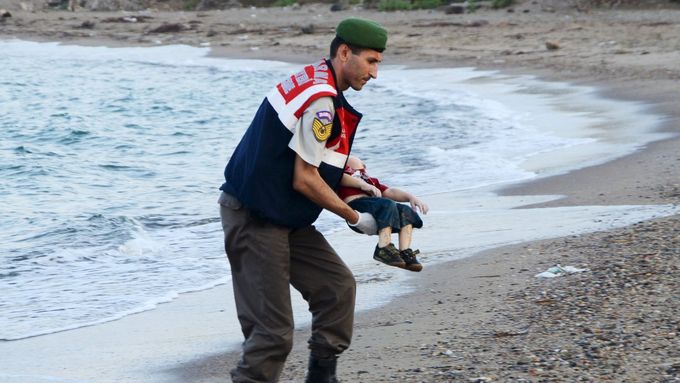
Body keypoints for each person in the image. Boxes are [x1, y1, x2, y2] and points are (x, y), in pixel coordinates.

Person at [218, 18, 387, 383]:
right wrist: (355, 218)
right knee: (273, 334)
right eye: (371, 61)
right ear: (345, 53)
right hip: (254, 217)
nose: (374, 74)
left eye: (378, 63)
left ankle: (321, 378)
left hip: (284, 215)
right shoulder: (322, 103)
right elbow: (305, 178)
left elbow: (307, 161)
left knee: (337, 289)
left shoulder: (317, 78)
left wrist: (356, 179)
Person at [337, 155, 428, 272]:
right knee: (387, 204)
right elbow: (339, 177)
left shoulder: (371, 181)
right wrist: (361, 184)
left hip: (377, 209)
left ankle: (405, 252)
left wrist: (410, 197)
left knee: (405, 211)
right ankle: (383, 247)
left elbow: (390, 191)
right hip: (356, 206)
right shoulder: (344, 178)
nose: (361, 167)